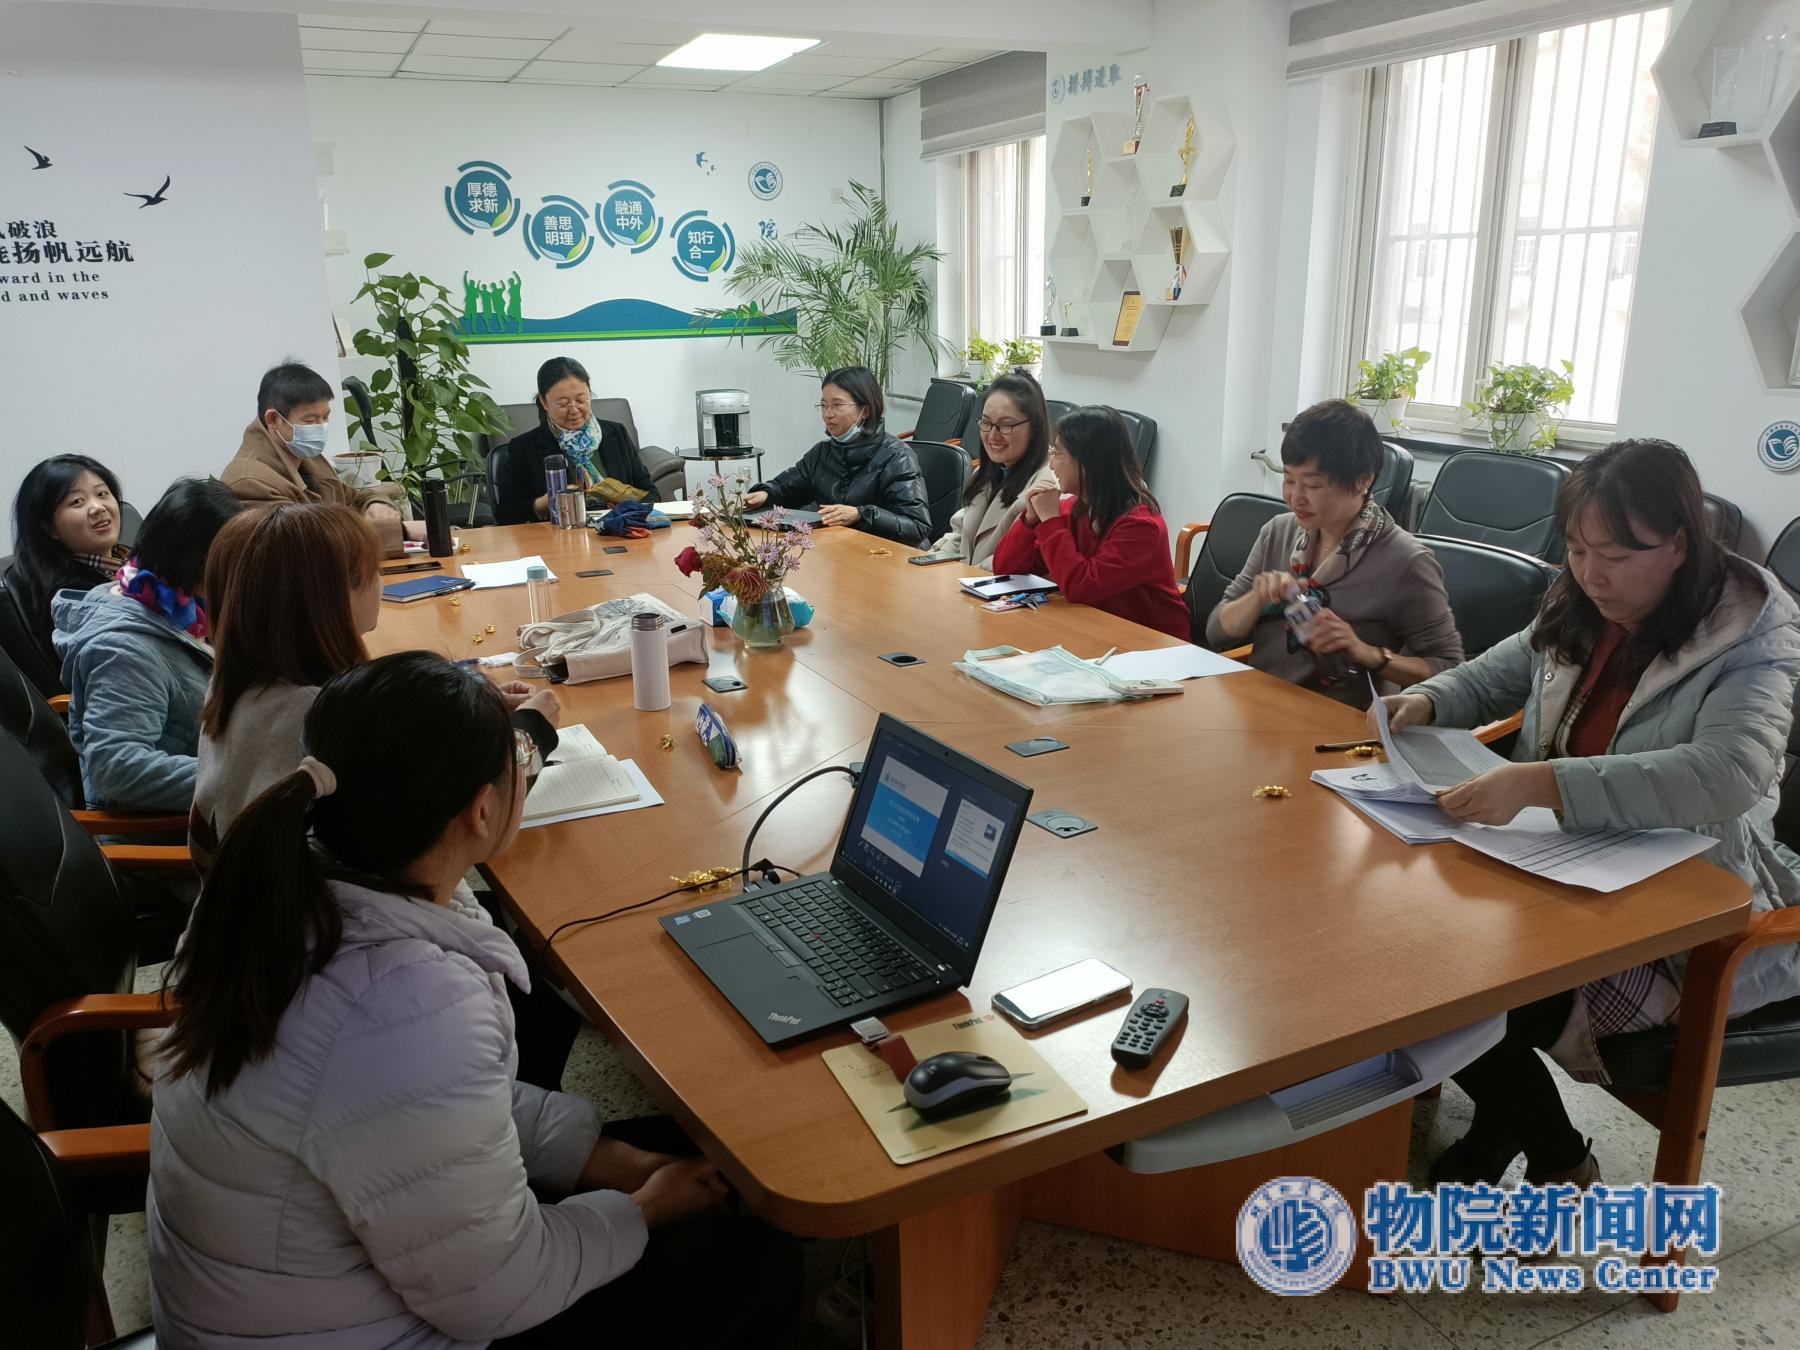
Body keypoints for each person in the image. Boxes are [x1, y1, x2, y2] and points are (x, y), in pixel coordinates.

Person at [151, 653, 801, 1347]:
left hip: (279, 1299)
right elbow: (495, 1293)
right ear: (482, 811)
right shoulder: (402, 999)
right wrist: (642, 1210)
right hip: (357, 1329)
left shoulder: (284, 885)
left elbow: (424, 1105)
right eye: (517, 761)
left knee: (676, 1149)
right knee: (758, 1266)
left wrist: (604, 1156)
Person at [1371, 439, 1800, 1188]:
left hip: (1677, 907)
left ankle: (1560, 1158)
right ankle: (1531, 1139)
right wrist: (1430, 699)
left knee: (1456, 993)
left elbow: (1731, 773)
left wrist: (1546, 783)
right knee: (1400, 945)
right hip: (1558, 866)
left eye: (1617, 555)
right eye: (1576, 550)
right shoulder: (1584, 602)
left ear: (1679, 544)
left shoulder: (1750, 634)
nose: (1592, 573)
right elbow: (1503, 669)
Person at [191, 501, 576, 1088]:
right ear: (328, 600)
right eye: (372, 573)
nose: (381, 582)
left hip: (262, 942)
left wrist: (463, 708)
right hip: (335, 969)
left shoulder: (244, 690)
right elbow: (457, 802)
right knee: (545, 942)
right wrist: (531, 732)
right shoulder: (316, 718)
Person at [1207, 399, 1463, 708]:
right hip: (1261, 705)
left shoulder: (1405, 560)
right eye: (1289, 479)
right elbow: (1216, 633)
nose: (1295, 497)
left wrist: (1366, 653)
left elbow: (1449, 669)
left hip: (1339, 720)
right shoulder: (1278, 532)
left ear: (1363, 480)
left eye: (1313, 485)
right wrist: (1255, 599)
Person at [51, 477, 242, 813]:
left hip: (218, 759)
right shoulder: (124, 651)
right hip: (172, 827)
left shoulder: (161, 596)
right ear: (200, 561)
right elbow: (117, 770)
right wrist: (245, 776)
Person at [990, 405, 1188, 640]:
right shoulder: (1073, 508)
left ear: (1087, 462)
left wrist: (1051, 521)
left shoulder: (1142, 527)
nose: (1051, 465)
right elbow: (1005, 569)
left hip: (1152, 643)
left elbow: (1081, 587)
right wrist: (1030, 521)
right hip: (1095, 629)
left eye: (1058, 454)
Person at [221, 361, 408, 557]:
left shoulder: (308, 458)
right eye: (309, 421)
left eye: (325, 418)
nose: (320, 427)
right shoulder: (249, 481)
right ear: (273, 419)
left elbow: (354, 499)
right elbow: (308, 546)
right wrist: (401, 531)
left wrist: (377, 505)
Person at [745, 366, 930, 546]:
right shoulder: (822, 452)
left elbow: (916, 527)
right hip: (842, 549)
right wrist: (765, 494)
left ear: (865, 410)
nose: (828, 414)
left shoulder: (897, 456)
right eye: (824, 405)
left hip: (890, 555)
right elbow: (787, 487)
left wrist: (861, 514)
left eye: (837, 405)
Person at [3, 454, 131, 695]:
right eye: (77, 502)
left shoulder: (129, 563)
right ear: (49, 528)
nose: (98, 507)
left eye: (102, 493)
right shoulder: (72, 599)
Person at [922, 372, 1060, 568]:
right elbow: (960, 535)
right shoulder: (986, 472)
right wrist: (929, 561)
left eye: (1005, 425)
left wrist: (965, 577)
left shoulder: (1047, 486)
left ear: (1034, 427)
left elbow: (1022, 560)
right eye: (986, 423)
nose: (993, 435)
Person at [494, 356, 654, 524]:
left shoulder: (616, 433)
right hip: (559, 536)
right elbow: (505, 514)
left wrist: (628, 506)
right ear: (544, 402)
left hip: (619, 531)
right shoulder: (524, 448)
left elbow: (650, 493)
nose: (574, 410)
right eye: (563, 404)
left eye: (581, 400)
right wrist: (544, 502)